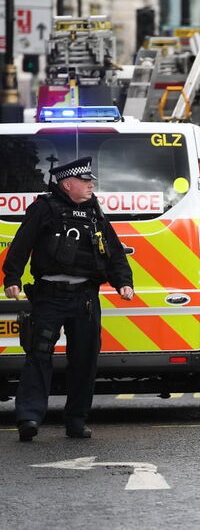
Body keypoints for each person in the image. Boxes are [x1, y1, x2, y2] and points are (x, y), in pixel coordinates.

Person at [4, 157, 134, 442]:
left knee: (84, 360)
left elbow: (112, 250)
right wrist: (11, 278)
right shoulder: (44, 209)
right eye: (86, 182)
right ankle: (29, 417)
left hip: (85, 298)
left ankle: (76, 420)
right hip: (50, 296)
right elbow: (21, 243)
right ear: (67, 184)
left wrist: (123, 282)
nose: (91, 186)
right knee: (38, 354)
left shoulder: (94, 213)